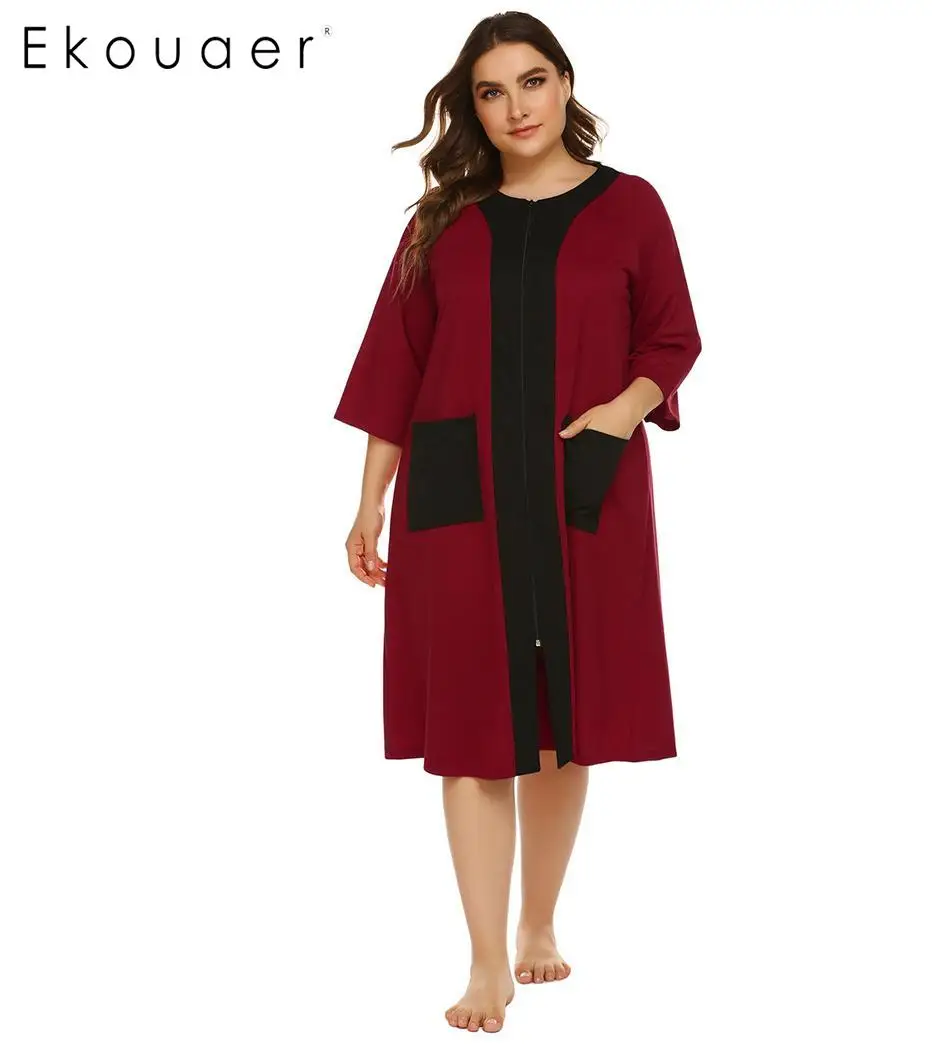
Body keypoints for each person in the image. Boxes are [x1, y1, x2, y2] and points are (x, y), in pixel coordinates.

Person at [333, 12, 703, 1035]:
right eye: (491, 92)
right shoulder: (440, 221)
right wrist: (368, 499)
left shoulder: (632, 206)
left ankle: (540, 922)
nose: (515, 107)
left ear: (565, 82)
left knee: (561, 724)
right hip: (460, 500)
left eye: (532, 81)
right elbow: (396, 365)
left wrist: (622, 412)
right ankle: (486, 960)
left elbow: (671, 336)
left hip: (584, 485)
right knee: (469, 727)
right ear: (474, 108)